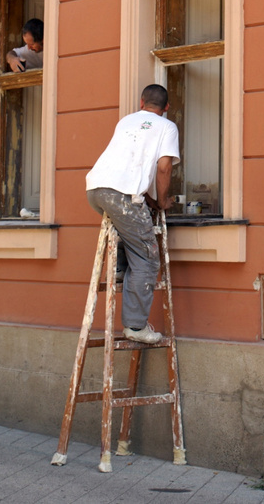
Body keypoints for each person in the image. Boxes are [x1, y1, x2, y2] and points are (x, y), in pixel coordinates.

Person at [85, 84, 179, 344]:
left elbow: (127, 168)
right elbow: (164, 167)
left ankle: (119, 270)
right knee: (148, 258)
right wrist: (161, 201)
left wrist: (146, 199)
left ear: (141, 103)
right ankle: (136, 328)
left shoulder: (126, 121)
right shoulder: (167, 127)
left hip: (96, 189)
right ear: (167, 108)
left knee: (130, 227)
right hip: (121, 196)